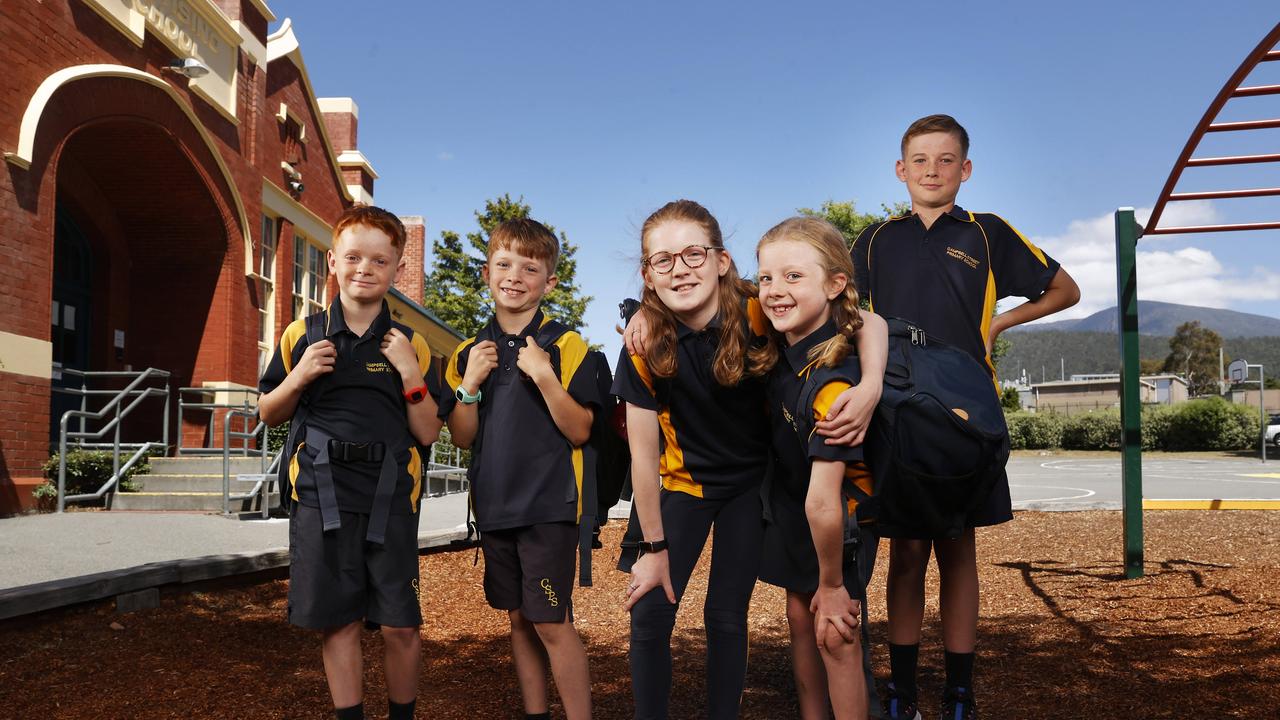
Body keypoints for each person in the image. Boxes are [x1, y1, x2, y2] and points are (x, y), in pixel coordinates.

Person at [849, 114, 1080, 720]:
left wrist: (999, 322)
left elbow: (1065, 290)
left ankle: (959, 693)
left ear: (965, 169)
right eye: (920, 160)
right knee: (904, 553)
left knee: (958, 549)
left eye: (946, 159)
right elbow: (841, 306)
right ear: (901, 170)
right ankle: (901, 692)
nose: (932, 169)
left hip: (965, 410)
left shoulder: (989, 233)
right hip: (897, 410)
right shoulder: (875, 239)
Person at [615, 200, 884, 719]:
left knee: (725, 615)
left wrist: (870, 383)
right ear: (648, 276)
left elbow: (864, 320)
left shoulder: (761, 307)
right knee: (649, 612)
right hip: (683, 486)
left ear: (721, 261)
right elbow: (642, 457)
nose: (681, 268)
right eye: (663, 260)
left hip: (751, 487)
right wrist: (652, 545)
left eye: (694, 253)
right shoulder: (644, 344)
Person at [258, 204, 443, 720]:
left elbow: (429, 429)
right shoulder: (301, 334)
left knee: (401, 624)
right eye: (354, 257)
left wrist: (408, 370)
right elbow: (268, 412)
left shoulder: (414, 344)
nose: (366, 268)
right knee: (338, 621)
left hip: (391, 495)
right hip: (322, 494)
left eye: (380, 260)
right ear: (333, 262)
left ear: (396, 268)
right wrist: (298, 378)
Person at [437, 218, 596, 720]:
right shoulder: (467, 353)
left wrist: (545, 376)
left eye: (530, 268)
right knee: (518, 620)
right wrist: (469, 385)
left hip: (549, 506)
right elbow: (463, 437)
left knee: (551, 620)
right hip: (495, 506)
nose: (514, 276)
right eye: (503, 264)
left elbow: (581, 431)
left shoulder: (568, 346)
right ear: (487, 273)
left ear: (549, 281)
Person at [754, 216, 888, 720]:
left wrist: (832, 584)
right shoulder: (788, 354)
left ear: (835, 285)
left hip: (839, 526)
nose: (774, 289)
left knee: (836, 633)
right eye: (767, 278)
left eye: (793, 277)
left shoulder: (833, 383)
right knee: (800, 618)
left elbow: (824, 500)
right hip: (794, 515)